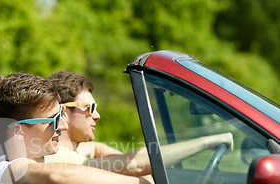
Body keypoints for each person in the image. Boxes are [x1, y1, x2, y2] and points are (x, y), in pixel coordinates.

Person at [0, 72, 200, 184]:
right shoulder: (8, 168)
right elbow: (58, 176)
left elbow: (92, 152)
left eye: (61, 116)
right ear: (18, 131)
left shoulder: (37, 164)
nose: (61, 127)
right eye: (53, 120)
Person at [45, 70, 233, 177]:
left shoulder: (73, 151)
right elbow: (133, 164)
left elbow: (95, 149)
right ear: (62, 112)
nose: (97, 115)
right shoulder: (57, 159)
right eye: (90, 108)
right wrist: (206, 142)